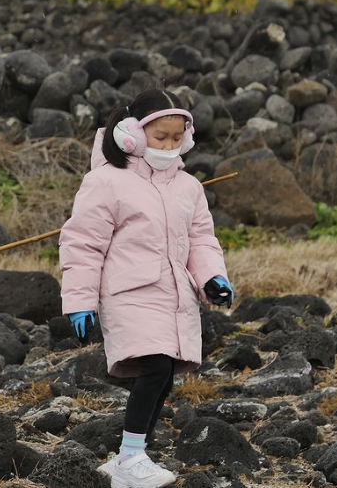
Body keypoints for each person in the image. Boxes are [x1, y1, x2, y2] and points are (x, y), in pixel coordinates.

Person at [59, 88, 234, 488]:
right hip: (128, 292)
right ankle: (131, 457)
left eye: (177, 138)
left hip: (176, 296)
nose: (170, 146)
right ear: (131, 135)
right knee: (154, 367)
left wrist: (212, 279)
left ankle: (130, 455)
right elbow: (83, 243)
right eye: (160, 137)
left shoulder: (189, 186)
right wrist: (80, 300)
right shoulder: (105, 181)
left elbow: (202, 240)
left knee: (165, 372)